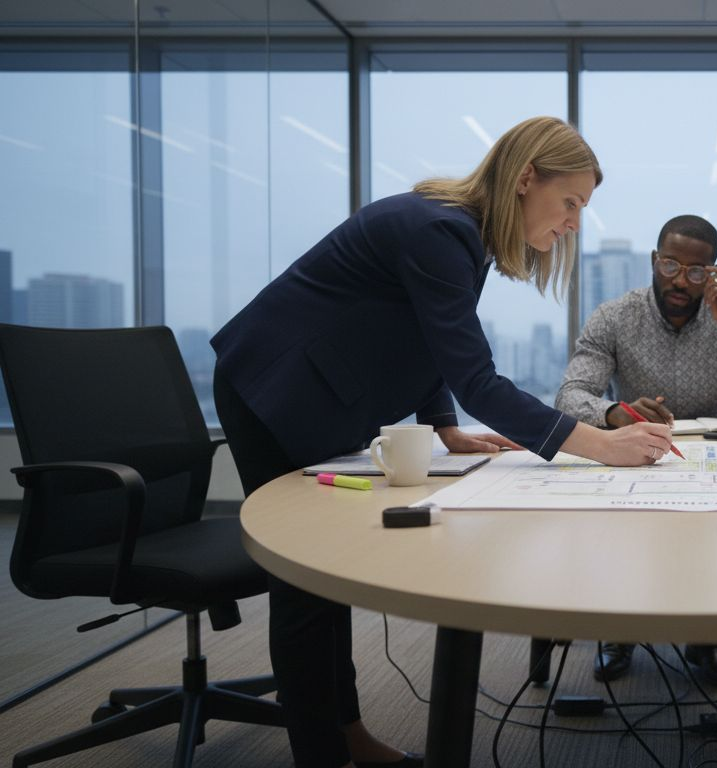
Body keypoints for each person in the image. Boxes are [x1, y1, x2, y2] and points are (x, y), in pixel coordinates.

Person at [211, 116, 673, 768]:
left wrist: (444, 423)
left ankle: (347, 736)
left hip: (321, 388)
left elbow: (431, 341)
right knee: (305, 579)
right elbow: (478, 375)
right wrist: (599, 443)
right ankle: (324, 752)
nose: (574, 222)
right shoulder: (438, 230)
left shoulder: (463, 236)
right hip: (274, 387)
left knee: (323, 578)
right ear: (524, 179)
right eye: (569, 202)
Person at [555, 214, 717, 688]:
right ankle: (617, 628)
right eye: (670, 265)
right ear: (653, 261)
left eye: (696, 271)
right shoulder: (614, 316)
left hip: (713, 460)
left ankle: (707, 638)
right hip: (632, 454)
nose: (681, 281)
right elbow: (569, 396)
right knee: (619, 524)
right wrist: (614, 412)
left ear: (714, 274)